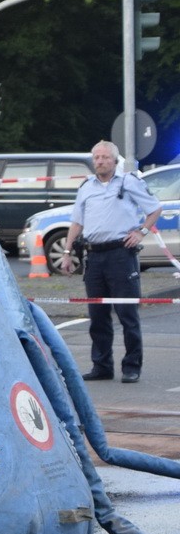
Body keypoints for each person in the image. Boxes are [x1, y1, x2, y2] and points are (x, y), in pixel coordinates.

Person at [62, 140, 162, 383]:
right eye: (96, 157)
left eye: (105, 157)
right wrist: (66, 253)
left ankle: (131, 366)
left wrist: (142, 232)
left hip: (120, 255)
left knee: (127, 314)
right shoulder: (86, 187)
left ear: (115, 160)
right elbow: (77, 222)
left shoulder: (128, 182)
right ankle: (102, 366)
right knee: (97, 315)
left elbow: (155, 208)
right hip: (94, 257)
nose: (100, 161)